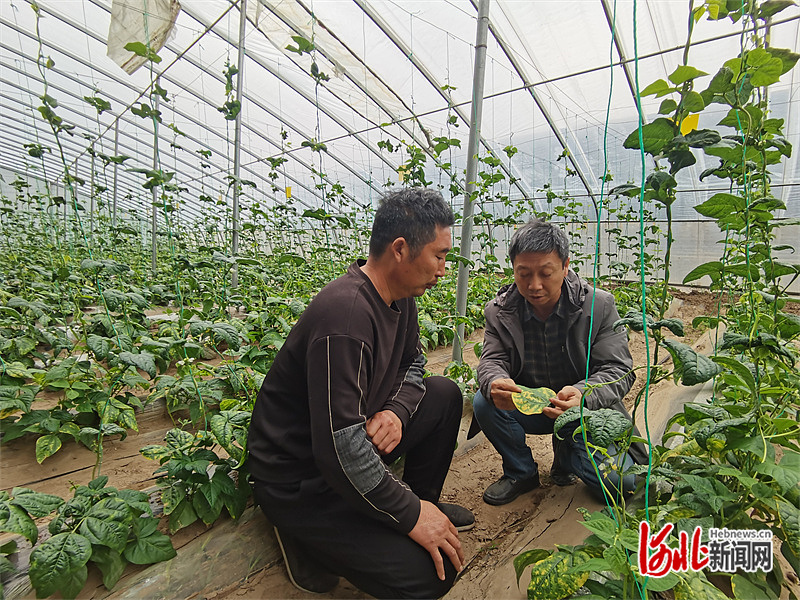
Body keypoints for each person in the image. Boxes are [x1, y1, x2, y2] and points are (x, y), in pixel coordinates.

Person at [247, 188, 474, 599]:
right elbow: (340, 451)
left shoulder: (402, 297)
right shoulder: (345, 316)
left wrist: (397, 411)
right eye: (439, 255)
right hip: (302, 479)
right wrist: (408, 516)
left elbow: (414, 364)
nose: (444, 268)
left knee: (443, 395)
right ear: (401, 249)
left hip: (346, 441)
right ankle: (305, 539)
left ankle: (423, 504)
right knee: (432, 574)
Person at [472, 219, 648, 506]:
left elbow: (619, 370)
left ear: (565, 266)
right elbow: (493, 358)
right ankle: (521, 472)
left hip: (585, 413)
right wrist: (493, 382)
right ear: (513, 269)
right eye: (523, 273)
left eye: (546, 273)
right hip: (532, 405)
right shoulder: (500, 310)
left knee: (623, 485)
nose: (534, 285)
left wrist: (583, 395)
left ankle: (567, 457)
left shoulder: (599, 306)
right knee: (483, 401)